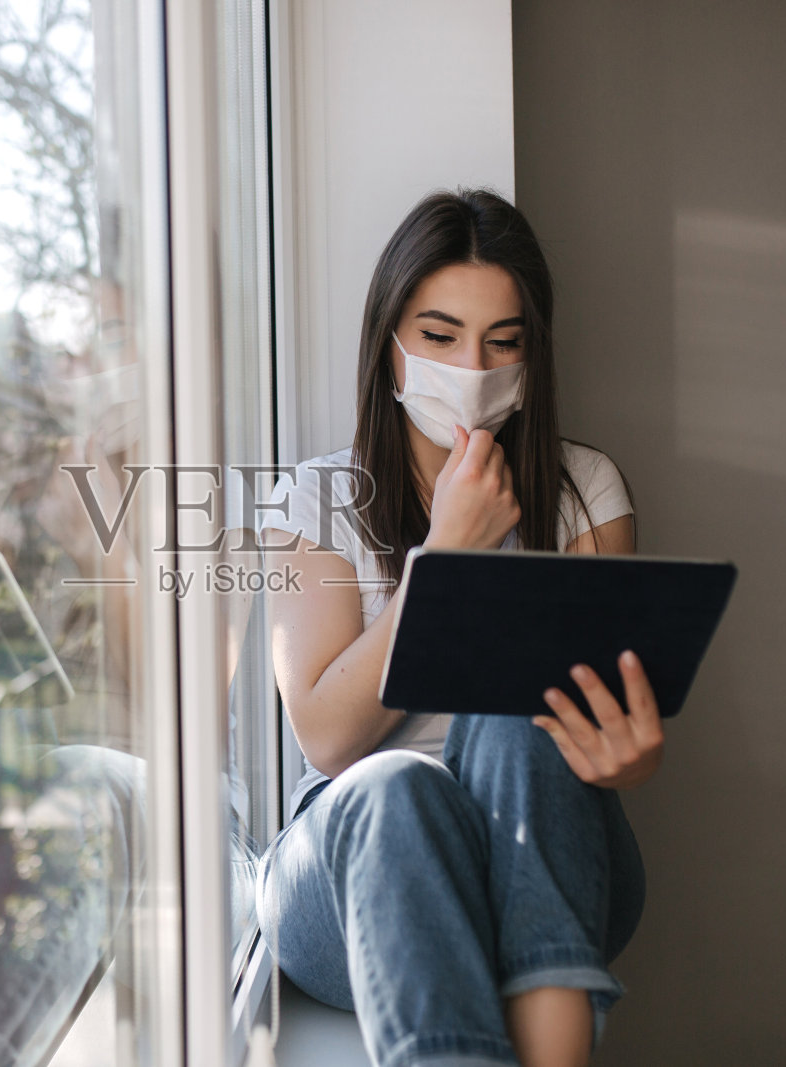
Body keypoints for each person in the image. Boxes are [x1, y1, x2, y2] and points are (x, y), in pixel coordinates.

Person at [255, 188, 664, 1067]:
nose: (471, 367)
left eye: (502, 342)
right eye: (439, 336)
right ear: (391, 345)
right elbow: (328, 740)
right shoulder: (317, 500)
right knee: (393, 786)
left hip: (543, 850)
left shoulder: (582, 490)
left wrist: (630, 753)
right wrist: (442, 560)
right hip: (363, 868)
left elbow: (602, 721)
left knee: (519, 707)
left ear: (532, 354)